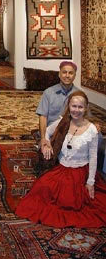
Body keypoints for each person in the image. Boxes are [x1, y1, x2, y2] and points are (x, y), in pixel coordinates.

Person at [16, 91, 106, 228]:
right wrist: (46, 143)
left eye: (80, 107)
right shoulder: (63, 122)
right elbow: (46, 131)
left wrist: (90, 182)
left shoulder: (92, 130)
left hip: (80, 173)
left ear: (86, 108)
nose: (76, 110)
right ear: (68, 106)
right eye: (73, 106)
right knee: (42, 188)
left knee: (71, 200)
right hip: (61, 169)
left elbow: (93, 158)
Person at [36, 61, 78, 154]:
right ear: (59, 74)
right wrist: (43, 138)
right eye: (64, 72)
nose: (67, 75)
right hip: (51, 132)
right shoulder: (49, 92)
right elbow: (42, 116)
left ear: (75, 76)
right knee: (47, 152)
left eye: (70, 73)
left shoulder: (79, 94)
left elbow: (86, 116)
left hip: (72, 130)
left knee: (96, 137)